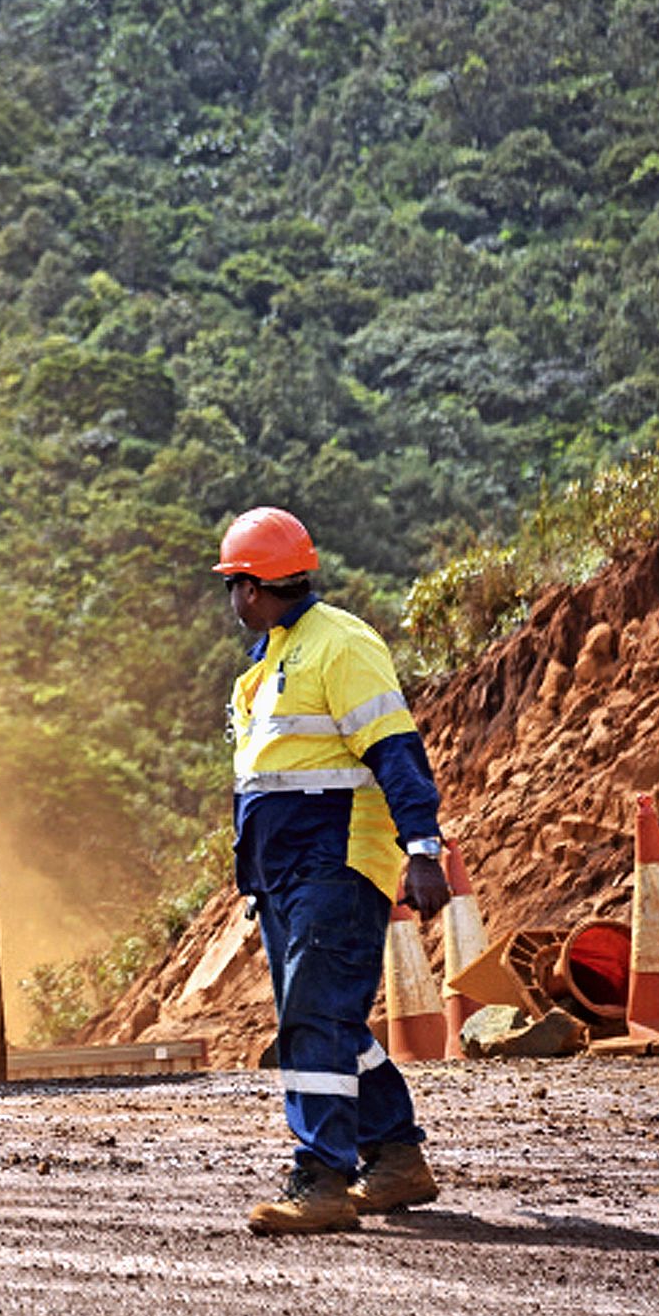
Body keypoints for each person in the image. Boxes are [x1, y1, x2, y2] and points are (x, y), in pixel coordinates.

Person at [217, 506, 452, 1235]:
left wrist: (423, 850)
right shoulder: (267, 664)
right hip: (283, 874)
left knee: (313, 1020)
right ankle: (397, 1157)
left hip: (336, 864)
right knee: (331, 1020)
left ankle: (321, 1176)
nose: (232, 599)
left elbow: (396, 753)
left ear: (251, 587)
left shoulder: (340, 645)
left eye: (232, 584)